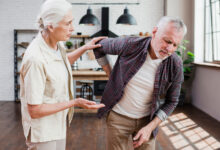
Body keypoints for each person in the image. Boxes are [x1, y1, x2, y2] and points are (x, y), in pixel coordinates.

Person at [20, 0, 106, 149]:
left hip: (57, 123)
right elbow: (34, 110)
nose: (72, 28)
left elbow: (61, 61)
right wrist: (74, 102)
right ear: (51, 26)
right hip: (43, 132)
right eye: (68, 23)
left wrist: (85, 48)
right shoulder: (35, 59)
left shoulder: (55, 43)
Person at [93, 16, 187, 150]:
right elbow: (98, 47)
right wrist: (110, 73)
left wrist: (150, 128)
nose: (170, 49)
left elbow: (172, 101)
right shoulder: (130, 44)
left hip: (147, 120)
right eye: (167, 41)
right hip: (118, 118)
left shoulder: (175, 63)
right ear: (154, 32)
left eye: (175, 45)